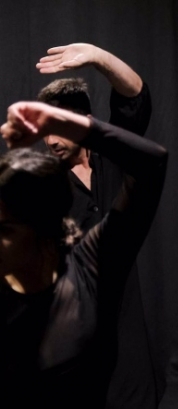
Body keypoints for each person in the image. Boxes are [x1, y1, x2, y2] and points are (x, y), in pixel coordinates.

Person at [0, 101, 167, 408]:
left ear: (43, 229)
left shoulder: (88, 268)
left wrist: (72, 125)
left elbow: (152, 163)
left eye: (7, 230)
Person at [35, 43, 163, 408]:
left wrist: (97, 56)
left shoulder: (113, 157)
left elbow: (136, 96)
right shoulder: (45, 184)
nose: (50, 140)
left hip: (125, 330)